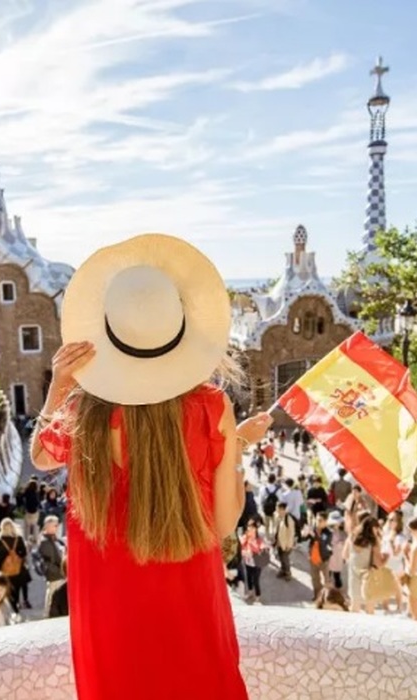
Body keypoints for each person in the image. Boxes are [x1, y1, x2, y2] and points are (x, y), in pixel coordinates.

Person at [30, 234, 271, 700]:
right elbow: (223, 523)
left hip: (108, 620)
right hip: (190, 612)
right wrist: (236, 447)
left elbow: (41, 456)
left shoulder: (84, 409)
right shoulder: (210, 407)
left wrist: (59, 385)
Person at [0, 518, 32, 611]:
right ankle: (16, 607)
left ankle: (11, 609)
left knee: (7, 592)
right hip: (18, 570)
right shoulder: (19, 539)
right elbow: (24, 553)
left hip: (4, 572)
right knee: (16, 590)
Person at [37, 516, 66, 611]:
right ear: (48, 526)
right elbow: (47, 563)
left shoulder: (54, 539)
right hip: (54, 575)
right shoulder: (45, 541)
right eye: (55, 525)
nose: (57, 528)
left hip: (59, 574)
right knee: (51, 597)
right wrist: (59, 572)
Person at [306, 512, 333, 598]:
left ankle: (327, 597)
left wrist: (314, 536)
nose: (317, 522)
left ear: (325, 522)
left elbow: (323, 542)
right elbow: (303, 538)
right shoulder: (313, 529)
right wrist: (304, 534)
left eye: (320, 520)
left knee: (327, 580)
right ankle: (317, 596)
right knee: (315, 579)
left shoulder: (328, 533)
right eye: (317, 520)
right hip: (313, 559)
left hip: (324, 559)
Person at [239, 518, 267, 603]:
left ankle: (258, 597)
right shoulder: (246, 537)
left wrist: (256, 550)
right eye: (248, 526)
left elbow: (262, 547)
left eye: (251, 526)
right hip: (248, 562)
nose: (249, 528)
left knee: (256, 581)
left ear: (255, 528)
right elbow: (241, 546)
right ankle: (250, 592)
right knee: (249, 578)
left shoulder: (258, 538)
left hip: (256, 563)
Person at [268, 501, 298, 580]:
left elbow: (291, 534)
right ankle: (282, 570)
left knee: (285, 559)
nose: (276, 510)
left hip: (286, 544)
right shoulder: (277, 516)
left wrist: (289, 545)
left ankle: (288, 573)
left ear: (282, 509)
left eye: (277, 508)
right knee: (280, 557)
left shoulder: (289, 520)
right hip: (279, 542)